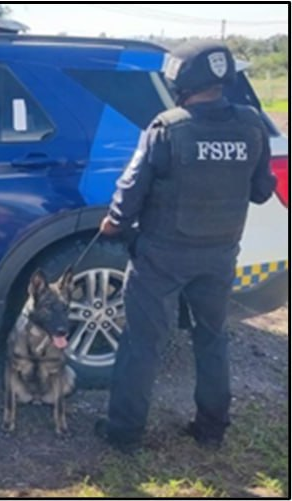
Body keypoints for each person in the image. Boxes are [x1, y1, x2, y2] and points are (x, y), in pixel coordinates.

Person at [95, 41, 277, 454]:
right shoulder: (252, 125)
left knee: (142, 343)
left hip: (162, 256)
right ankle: (211, 430)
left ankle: (124, 434)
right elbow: (262, 192)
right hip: (220, 254)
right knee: (212, 339)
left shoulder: (167, 128)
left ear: (180, 80)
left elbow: (129, 191)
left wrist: (113, 224)